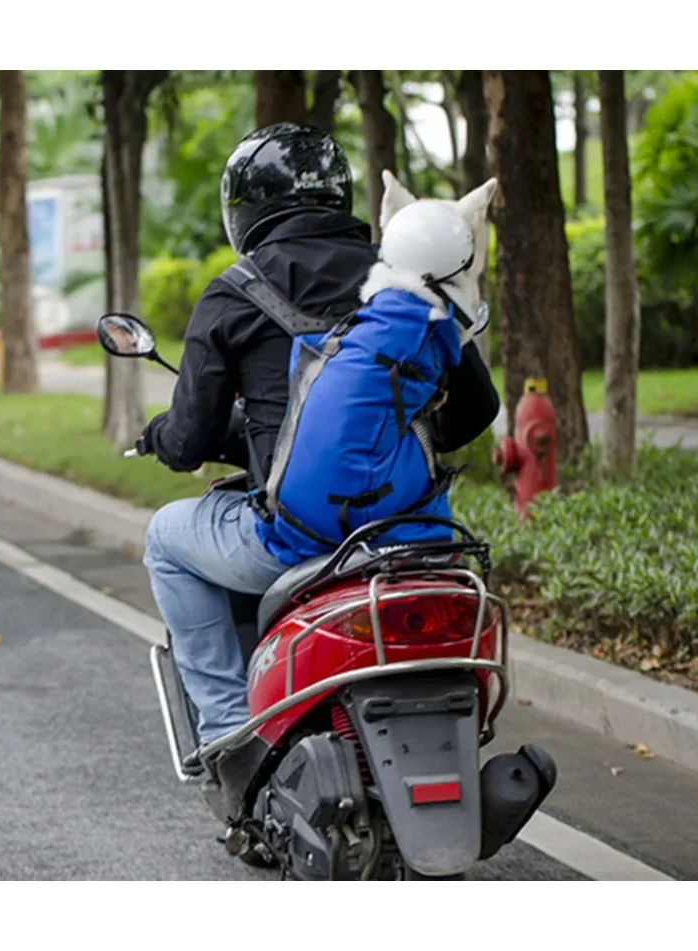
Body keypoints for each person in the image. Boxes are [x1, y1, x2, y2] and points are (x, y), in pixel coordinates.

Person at [139, 123, 499, 762]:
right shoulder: (411, 281)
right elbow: (476, 408)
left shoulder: (233, 291)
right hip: (409, 528)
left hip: (299, 537)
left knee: (166, 538)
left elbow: (189, 439)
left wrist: (159, 440)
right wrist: (395, 439)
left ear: (243, 209)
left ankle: (228, 732)